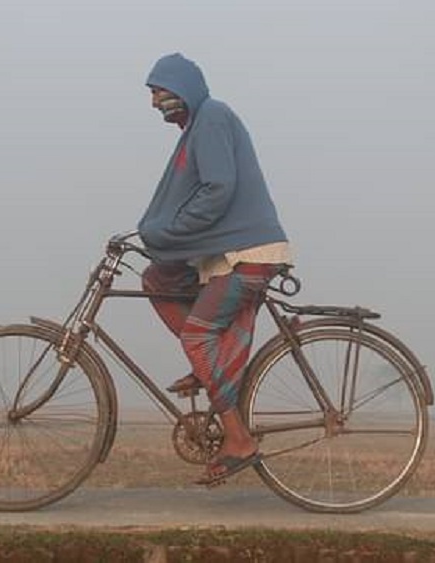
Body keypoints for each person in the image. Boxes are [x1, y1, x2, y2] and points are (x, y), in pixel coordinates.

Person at [137, 53, 293, 486]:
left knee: (196, 335)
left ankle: (238, 438)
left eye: (157, 92)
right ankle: (213, 369)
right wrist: (156, 235)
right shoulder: (195, 129)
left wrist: (170, 230)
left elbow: (217, 189)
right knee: (157, 278)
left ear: (180, 87)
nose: (154, 104)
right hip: (226, 256)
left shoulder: (213, 118)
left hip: (248, 254)